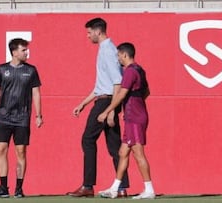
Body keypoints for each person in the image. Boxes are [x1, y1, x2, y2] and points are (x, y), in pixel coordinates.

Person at [67, 17, 129, 198]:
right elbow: (101, 85)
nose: (87, 36)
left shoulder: (108, 51)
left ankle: (87, 185)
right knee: (114, 146)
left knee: (87, 139)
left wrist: (110, 110)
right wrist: (83, 104)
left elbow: (118, 82)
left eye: (89, 32)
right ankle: (122, 187)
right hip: (104, 99)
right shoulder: (105, 49)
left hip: (107, 101)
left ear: (98, 31)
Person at [0, 38, 43, 198]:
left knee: (21, 151)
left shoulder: (31, 70)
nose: (26, 53)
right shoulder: (2, 69)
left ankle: (19, 188)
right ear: (14, 52)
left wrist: (38, 115)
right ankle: (3, 188)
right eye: (23, 50)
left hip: (22, 118)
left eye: (26, 50)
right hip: (3, 117)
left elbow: (36, 92)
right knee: (1, 149)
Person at [97, 42, 155, 199]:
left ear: (124, 55)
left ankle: (149, 189)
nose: (118, 59)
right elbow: (147, 91)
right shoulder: (139, 70)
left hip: (135, 118)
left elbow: (121, 95)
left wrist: (106, 111)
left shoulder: (129, 72)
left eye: (118, 56)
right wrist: (135, 104)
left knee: (138, 153)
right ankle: (115, 188)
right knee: (123, 153)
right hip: (133, 117)